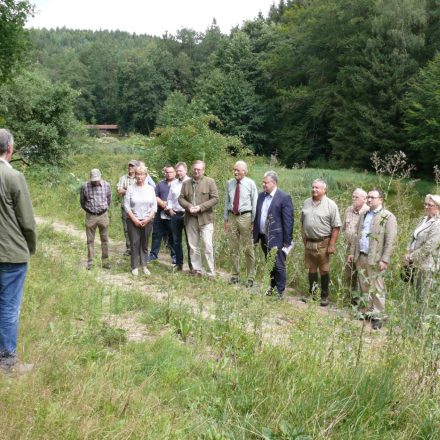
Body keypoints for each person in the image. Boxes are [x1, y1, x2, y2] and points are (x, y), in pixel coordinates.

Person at [0, 129, 36, 372]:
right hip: (11, 254)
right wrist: (30, 247)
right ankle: (6, 361)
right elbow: (27, 222)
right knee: (9, 306)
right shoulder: (13, 177)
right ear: (10, 149)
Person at [348, 188, 397, 329]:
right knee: (364, 286)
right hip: (361, 255)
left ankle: (378, 316)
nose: (369, 199)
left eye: (372, 197)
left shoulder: (388, 217)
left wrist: (385, 259)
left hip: (376, 259)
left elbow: (390, 241)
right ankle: (367, 311)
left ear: (380, 199)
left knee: (377, 287)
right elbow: (357, 235)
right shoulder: (364, 214)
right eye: (368, 197)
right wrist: (352, 252)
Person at [300, 178, 342, 306]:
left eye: (317, 188)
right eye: (313, 187)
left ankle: (324, 297)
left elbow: (336, 226)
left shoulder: (331, 204)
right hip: (309, 243)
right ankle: (313, 295)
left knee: (324, 270)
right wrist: (304, 237)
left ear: (324, 190)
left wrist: (332, 244)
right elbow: (302, 222)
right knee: (311, 269)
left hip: (323, 242)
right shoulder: (306, 202)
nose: (314, 189)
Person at [253, 171, 294, 298]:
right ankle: (272, 287)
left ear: (274, 183)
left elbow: (288, 221)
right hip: (263, 236)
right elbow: (257, 216)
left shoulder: (284, 197)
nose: (263, 184)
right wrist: (255, 235)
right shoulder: (261, 196)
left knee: (279, 265)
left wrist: (287, 242)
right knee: (269, 264)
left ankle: (279, 292)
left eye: (265, 182)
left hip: (278, 238)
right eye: (263, 182)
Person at [178, 160, 219, 278]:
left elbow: (215, 198)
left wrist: (200, 207)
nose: (196, 171)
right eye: (194, 169)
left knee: (207, 246)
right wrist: (189, 206)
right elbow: (180, 199)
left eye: (199, 169)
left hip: (206, 219)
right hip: (190, 219)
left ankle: (210, 272)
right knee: (193, 246)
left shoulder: (210, 182)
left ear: (203, 170)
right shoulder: (186, 183)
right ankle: (197, 270)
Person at [225, 161, 258, 287]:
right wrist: (226, 219)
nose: (235, 172)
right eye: (234, 170)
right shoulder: (230, 183)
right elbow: (226, 202)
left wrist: (253, 221)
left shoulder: (251, 184)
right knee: (233, 248)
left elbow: (254, 203)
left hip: (246, 217)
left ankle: (250, 277)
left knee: (248, 248)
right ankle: (234, 275)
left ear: (244, 171)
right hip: (232, 216)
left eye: (237, 170)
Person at [405, 194, 440, 302]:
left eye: (430, 205)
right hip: (414, 262)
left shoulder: (437, 224)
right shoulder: (424, 219)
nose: (426, 207)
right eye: (425, 204)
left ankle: (420, 317)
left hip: (426, 265)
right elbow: (413, 236)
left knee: (422, 296)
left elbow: (429, 247)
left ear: (438, 207)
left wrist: (411, 257)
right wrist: (407, 251)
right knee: (412, 292)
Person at [124, 165, 157, 276]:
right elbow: (126, 206)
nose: (139, 177)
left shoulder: (150, 189)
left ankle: (144, 265)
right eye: (137, 174)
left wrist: (148, 219)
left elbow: (154, 207)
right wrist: (134, 220)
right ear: (135, 175)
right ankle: (134, 266)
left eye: (142, 174)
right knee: (134, 243)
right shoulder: (130, 188)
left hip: (147, 220)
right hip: (133, 220)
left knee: (144, 243)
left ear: (146, 175)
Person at [80, 168, 112, 270]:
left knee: (105, 240)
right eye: (93, 180)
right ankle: (90, 262)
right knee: (90, 240)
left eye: (96, 179)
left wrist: (103, 209)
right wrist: (89, 211)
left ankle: (106, 262)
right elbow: (82, 202)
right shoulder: (85, 186)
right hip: (90, 216)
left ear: (100, 177)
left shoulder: (107, 185)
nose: (95, 181)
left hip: (103, 215)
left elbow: (109, 199)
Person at [165, 162, 192, 271]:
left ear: (185, 170)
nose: (179, 173)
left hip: (188, 215)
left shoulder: (191, 182)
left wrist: (189, 210)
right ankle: (179, 264)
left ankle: (192, 266)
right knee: (176, 240)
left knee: (190, 241)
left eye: (181, 170)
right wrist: (170, 209)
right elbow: (169, 198)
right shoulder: (174, 183)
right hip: (175, 214)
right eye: (177, 171)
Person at [343, 188, 368, 297]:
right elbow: (344, 227)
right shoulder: (348, 209)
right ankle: (350, 298)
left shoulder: (368, 212)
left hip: (362, 249)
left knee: (361, 275)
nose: (353, 199)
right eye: (353, 196)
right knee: (349, 274)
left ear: (364, 199)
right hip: (349, 247)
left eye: (356, 197)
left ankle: (361, 300)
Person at [149, 165, 176, 263]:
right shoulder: (160, 184)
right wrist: (164, 205)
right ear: (165, 173)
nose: (168, 174)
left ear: (175, 173)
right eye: (167, 172)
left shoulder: (178, 184)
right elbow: (155, 196)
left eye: (171, 172)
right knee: (156, 234)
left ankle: (174, 255)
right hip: (160, 213)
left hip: (173, 214)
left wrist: (170, 207)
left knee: (173, 235)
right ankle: (153, 254)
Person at [116, 159, 139, 256]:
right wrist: (130, 189)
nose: (130, 167)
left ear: (136, 167)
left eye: (132, 166)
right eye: (129, 165)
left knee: (137, 228)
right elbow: (119, 191)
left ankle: (137, 247)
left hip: (137, 207)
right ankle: (129, 248)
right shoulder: (123, 178)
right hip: (125, 207)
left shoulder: (139, 177)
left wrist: (126, 189)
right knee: (126, 229)